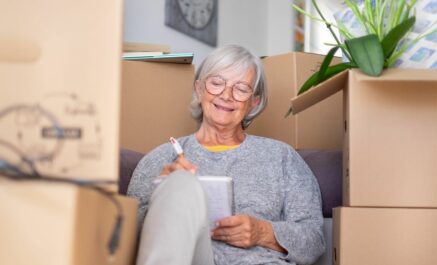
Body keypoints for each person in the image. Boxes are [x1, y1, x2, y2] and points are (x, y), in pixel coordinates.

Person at [127, 44, 325, 265]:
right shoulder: (160, 158)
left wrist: (263, 232)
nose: (226, 95)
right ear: (199, 89)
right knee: (178, 184)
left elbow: (315, 242)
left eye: (241, 88)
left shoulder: (281, 157)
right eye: (217, 83)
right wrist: (165, 194)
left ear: (254, 102)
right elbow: (125, 237)